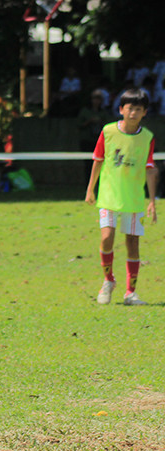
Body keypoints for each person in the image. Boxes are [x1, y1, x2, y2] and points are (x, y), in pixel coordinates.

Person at [85, 88, 158, 306]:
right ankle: (108, 280)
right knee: (107, 238)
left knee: (132, 243)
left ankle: (130, 292)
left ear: (145, 112)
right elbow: (98, 160)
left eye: (138, 109)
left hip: (134, 198)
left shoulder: (147, 138)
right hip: (109, 196)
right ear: (121, 110)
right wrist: (91, 189)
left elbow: (150, 168)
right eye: (129, 108)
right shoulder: (108, 132)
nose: (133, 113)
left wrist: (152, 200)